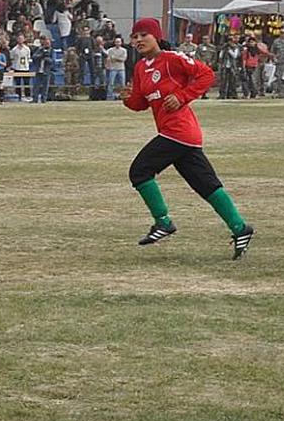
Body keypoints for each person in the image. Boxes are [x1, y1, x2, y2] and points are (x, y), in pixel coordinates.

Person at [123, 18, 254, 259]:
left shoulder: (172, 59)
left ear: (156, 37)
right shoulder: (141, 68)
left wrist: (183, 96)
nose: (139, 40)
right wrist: (128, 98)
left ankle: (163, 222)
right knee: (206, 185)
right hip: (182, 137)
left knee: (139, 171)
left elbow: (206, 75)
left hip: (178, 132)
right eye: (135, 36)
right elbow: (141, 103)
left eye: (144, 35)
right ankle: (240, 227)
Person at [106, 37, 128, 101]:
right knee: (111, 83)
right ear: (114, 43)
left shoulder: (124, 50)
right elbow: (109, 58)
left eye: (119, 42)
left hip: (121, 69)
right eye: (116, 42)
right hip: (113, 68)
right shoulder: (110, 50)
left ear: (121, 43)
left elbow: (123, 59)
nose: (117, 43)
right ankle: (109, 97)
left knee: (122, 84)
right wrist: (118, 58)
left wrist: (115, 58)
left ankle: (123, 96)